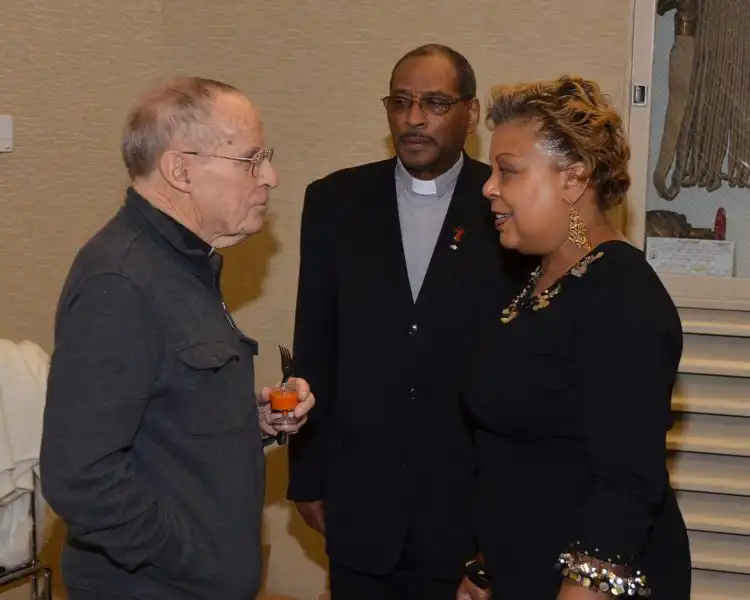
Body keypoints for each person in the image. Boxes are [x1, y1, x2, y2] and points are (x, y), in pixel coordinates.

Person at [40, 76, 315, 600]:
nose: (271, 177)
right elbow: (80, 477)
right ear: (181, 170)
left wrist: (252, 421)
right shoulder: (120, 281)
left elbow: (161, 417)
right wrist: (189, 555)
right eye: (252, 160)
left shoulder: (184, 264)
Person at [287, 44, 520, 599]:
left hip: (469, 509)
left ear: (471, 113)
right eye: (400, 102)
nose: (414, 119)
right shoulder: (335, 201)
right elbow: (315, 343)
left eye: (435, 103)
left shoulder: (506, 205)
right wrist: (307, 476)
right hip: (362, 501)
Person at [457, 75, 691, 600]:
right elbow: (527, 454)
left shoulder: (622, 295)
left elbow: (627, 484)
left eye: (507, 171)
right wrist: (487, 566)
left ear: (573, 179)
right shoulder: (545, 276)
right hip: (523, 569)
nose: (488, 187)